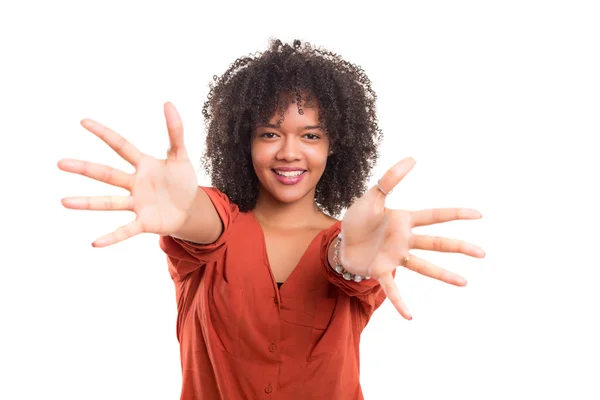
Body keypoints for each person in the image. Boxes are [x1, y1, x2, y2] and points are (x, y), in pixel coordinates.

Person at [58, 39, 485, 399]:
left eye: (311, 135)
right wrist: (181, 207)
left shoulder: (358, 244)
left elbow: (344, 264)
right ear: (244, 141)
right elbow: (201, 222)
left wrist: (352, 262)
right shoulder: (218, 226)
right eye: (269, 133)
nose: (288, 152)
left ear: (336, 145)